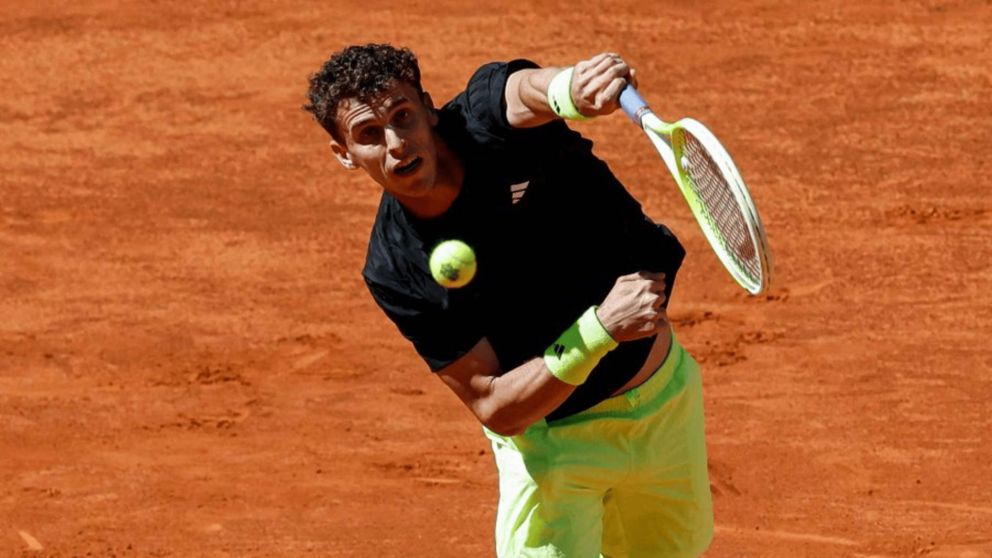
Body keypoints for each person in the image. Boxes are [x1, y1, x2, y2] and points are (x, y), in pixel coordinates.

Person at [304, 43, 713, 557]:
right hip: (553, 452)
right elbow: (493, 405)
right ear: (344, 153)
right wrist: (600, 329)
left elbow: (528, 92)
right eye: (368, 134)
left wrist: (573, 88)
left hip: (666, 409)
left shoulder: (483, 117)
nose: (397, 144)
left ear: (428, 108)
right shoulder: (398, 268)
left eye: (403, 116)